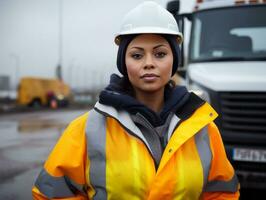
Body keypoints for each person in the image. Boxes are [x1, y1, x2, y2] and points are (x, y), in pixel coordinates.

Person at [32, 1, 240, 199]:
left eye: (160, 54)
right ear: (123, 61)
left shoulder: (203, 129)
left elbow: (222, 193)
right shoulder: (87, 129)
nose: (149, 63)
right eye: (137, 55)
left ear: (174, 60)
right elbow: (52, 194)